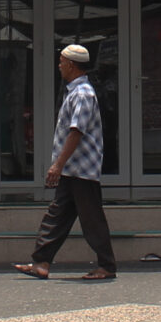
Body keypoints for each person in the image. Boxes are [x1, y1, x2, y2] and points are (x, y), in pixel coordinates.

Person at [15, 44, 114, 281]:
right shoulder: (75, 92)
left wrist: (57, 165)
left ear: (71, 64)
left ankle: (107, 265)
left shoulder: (82, 94)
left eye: (61, 61)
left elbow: (76, 131)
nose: (59, 66)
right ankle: (41, 262)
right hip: (73, 168)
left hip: (81, 168)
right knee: (57, 214)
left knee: (91, 218)